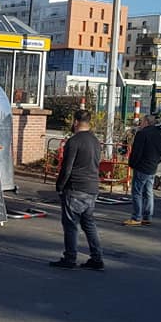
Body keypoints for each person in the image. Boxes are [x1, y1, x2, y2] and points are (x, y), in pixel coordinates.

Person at [50, 109, 104, 271]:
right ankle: (97, 258)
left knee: (71, 225)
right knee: (89, 224)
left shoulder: (74, 142)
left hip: (75, 187)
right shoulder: (95, 141)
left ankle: (70, 257)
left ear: (75, 122)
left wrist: (60, 186)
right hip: (92, 187)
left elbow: (67, 168)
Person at [124, 114, 161, 226]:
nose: (140, 123)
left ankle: (136, 217)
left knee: (137, 192)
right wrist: (155, 162)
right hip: (152, 167)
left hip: (141, 167)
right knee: (148, 192)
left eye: (142, 121)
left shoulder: (142, 134)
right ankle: (147, 216)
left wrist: (132, 164)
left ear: (146, 122)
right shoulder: (159, 134)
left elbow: (137, 152)